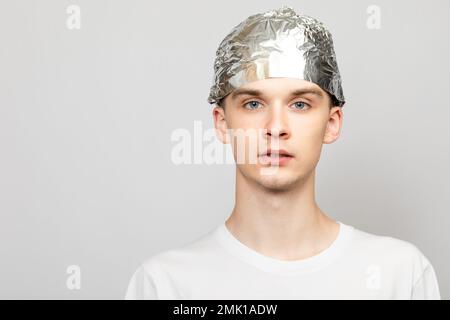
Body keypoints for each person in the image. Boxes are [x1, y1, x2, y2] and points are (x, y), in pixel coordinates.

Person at [125, 5, 441, 299]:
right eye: (253, 104)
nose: (276, 127)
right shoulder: (165, 284)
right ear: (223, 124)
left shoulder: (400, 275)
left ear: (331, 123)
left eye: (300, 104)